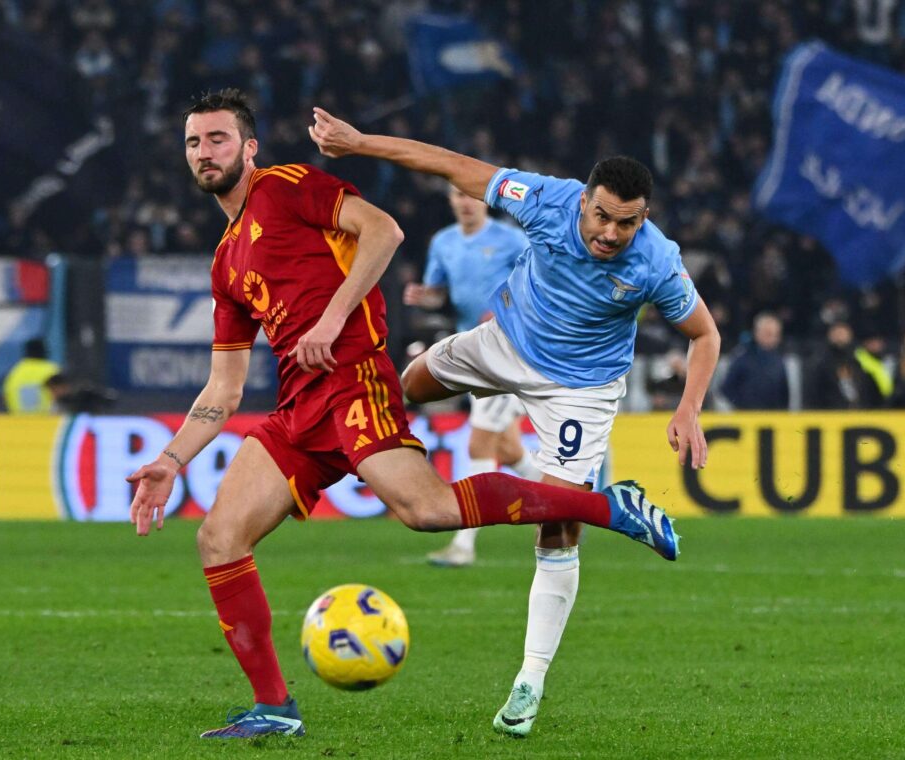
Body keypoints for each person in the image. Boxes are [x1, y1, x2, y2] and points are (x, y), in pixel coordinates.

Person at [125, 89, 680, 741]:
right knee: (218, 539)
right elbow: (223, 386)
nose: (204, 152)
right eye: (194, 142)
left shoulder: (286, 188)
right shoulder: (226, 262)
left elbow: (383, 230)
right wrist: (170, 460)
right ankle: (275, 708)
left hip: (353, 378)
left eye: (218, 139)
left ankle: (610, 508)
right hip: (298, 409)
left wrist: (333, 319)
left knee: (427, 511)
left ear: (248, 148)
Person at [308, 108, 720, 737]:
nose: (611, 233)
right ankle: (383, 460)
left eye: (627, 223)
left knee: (558, 527)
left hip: (578, 390)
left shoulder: (657, 262)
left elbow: (705, 334)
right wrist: (361, 143)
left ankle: (529, 681)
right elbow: (451, 164)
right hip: (503, 341)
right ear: (583, 201)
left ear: (645, 218)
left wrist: (688, 408)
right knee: (406, 386)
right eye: (602, 216)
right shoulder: (547, 200)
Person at [404, 185, 539, 567]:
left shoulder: (512, 239)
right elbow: (439, 295)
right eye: (457, 196)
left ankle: (463, 546)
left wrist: (504, 308)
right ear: (449, 200)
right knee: (509, 450)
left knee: (479, 445)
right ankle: (567, 505)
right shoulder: (443, 242)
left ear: (484, 200)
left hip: (511, 347)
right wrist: (423, 297)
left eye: (471, 196)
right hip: (473, 349)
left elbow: (537, 281)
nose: (464, 202)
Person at [720, 311, 789, 410]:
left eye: (776, 334)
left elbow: (785, 395)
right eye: (768, 333)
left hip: (774, 419)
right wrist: (740, 407)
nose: (772, 338)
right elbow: (726, 389)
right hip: (746, 418)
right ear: (757, 333)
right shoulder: (742, 358)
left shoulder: (781, 361)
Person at [2, 338, 61, 413]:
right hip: (49, 422)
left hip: (19, 422)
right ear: (45, 351)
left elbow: (6, 396)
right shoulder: (52, 370)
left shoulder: (14, 372)